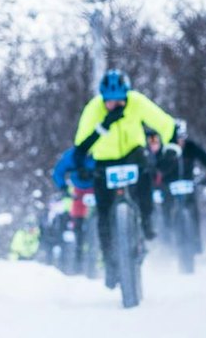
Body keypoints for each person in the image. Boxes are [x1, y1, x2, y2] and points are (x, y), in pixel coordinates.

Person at [73, 69, 177, 285]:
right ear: (102, 98)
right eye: (109, 101)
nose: (114, 104)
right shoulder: (93, 108)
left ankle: (146, 221)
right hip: (105, 161)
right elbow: (81, 143)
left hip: (133, 155)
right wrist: (103, 126)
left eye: (119, 100)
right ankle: (110, 262)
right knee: (103, 212)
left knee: (145, 178)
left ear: (126, 95)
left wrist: (170, 146)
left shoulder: (137, 102)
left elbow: (165, 124)